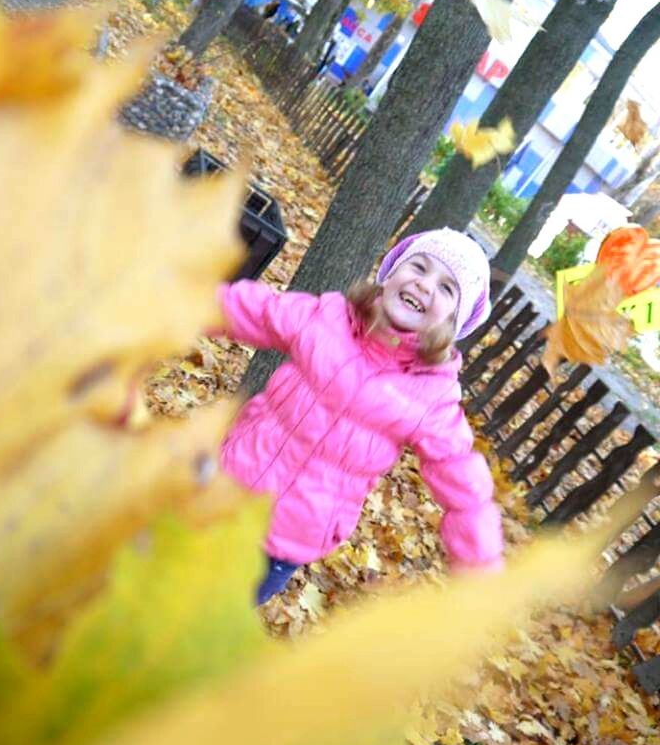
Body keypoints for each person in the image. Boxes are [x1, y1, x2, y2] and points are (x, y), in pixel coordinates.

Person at [216, 228, 505, 605]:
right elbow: (257, 310)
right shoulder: (327, 319)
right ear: (388, 275)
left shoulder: (432, 398)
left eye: (447, 288)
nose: (424, 284)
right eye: (418, 266)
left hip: (284, 543)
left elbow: (465, 486)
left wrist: (480, 571)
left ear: (452, 325)